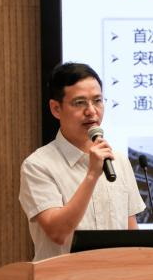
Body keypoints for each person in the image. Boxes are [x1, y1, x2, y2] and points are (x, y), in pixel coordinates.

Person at [19, 62, 146, 261]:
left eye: (97, 101)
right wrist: (92, 175)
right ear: (56, 109)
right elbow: (58, 232)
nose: (92, 111)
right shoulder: (38, 165)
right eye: (79, 103)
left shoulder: (119, 161)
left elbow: (132, 235)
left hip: (115, 278)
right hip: (63, 279)